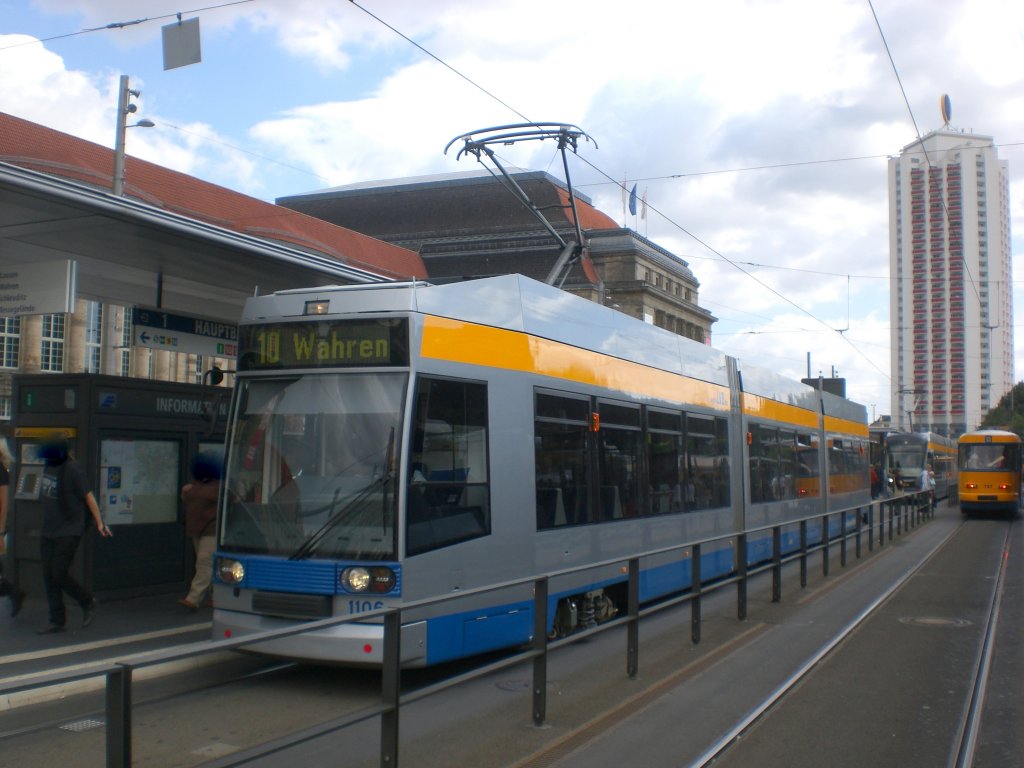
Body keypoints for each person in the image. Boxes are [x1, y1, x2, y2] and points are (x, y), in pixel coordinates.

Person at [37, 433, 112, 634]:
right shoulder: (49, 466)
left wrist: (100, 523)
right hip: (49, 530)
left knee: (58, 572)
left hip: (69, 530)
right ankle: (57, 620)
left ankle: (87, 601)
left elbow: (89, 497)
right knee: (48, 575)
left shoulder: (73, 470)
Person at [178, 450, 221, 612]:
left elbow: (233, 500)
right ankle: (215, 596)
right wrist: (185, 492)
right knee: (209, 564)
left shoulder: (220, 485)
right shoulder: (198, 483)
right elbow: (189, 501)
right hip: (197, 529)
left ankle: (193, 598)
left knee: (204, 562)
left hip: (212, 529)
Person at [0, 437, 26, 617]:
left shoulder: (1, 471)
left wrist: (0, 532)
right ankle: (13, 592)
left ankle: (13, 592)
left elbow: (3, 503)